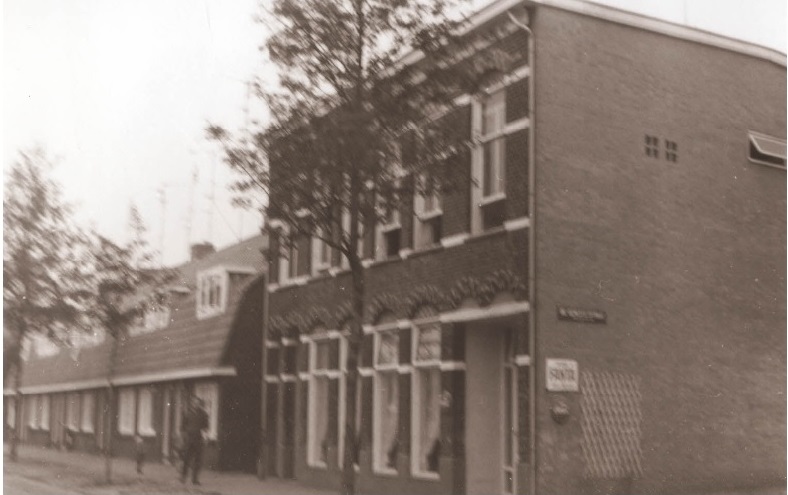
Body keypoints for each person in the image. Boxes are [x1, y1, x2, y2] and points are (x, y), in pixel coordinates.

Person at [180, 396, 209, 485]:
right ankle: (183, 477)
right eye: (194, 402)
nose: (195, 404)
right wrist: (184, 437)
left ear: (199, 404)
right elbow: (182, 427)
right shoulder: (187, 413)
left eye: (197, 403)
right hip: (189, 439)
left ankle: (195, 479)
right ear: (191, 403)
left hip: (199, 439)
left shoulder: (203, 414)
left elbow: (206, 427)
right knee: (186, 458)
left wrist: (205, 437)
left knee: (198, 459)